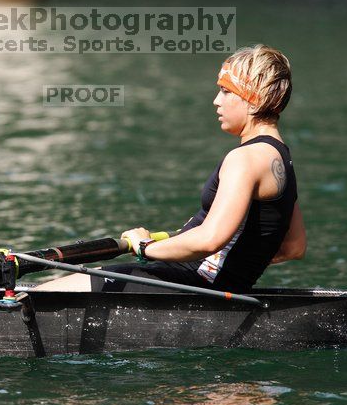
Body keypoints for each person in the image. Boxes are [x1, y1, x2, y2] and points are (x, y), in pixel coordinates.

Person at [37, 44, 306, 293]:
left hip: (190, 282)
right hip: (202, 281)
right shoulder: (283, 159)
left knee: (39, 294)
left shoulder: (245, 159)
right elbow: (294, 247)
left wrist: (146, 247)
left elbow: (209, 240)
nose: (216, 100)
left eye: (226, 91)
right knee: (69, 282)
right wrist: (238, 265)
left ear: (253, 99)